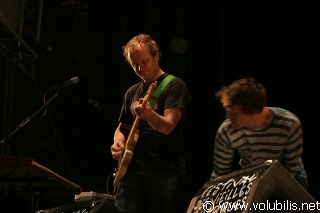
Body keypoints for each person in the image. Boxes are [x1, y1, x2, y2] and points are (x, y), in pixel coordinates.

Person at [110, 33, 191, 213]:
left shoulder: (174, 85)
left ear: (156, 56)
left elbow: (168, 126)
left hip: (164, 171)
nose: (140, 68)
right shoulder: (132, 92)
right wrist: (118, 142)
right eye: (135, 65)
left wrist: (149, 115)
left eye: (144, 62)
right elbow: (122, 127)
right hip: (132, 170)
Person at [210, 77, 308, 189]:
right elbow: (219, 174)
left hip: (289, 176)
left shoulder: (289, 124)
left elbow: (292, 168)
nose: (228, 116)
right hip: (253, 175)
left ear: (252, 112)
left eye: (234, 113)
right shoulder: (227, 130)